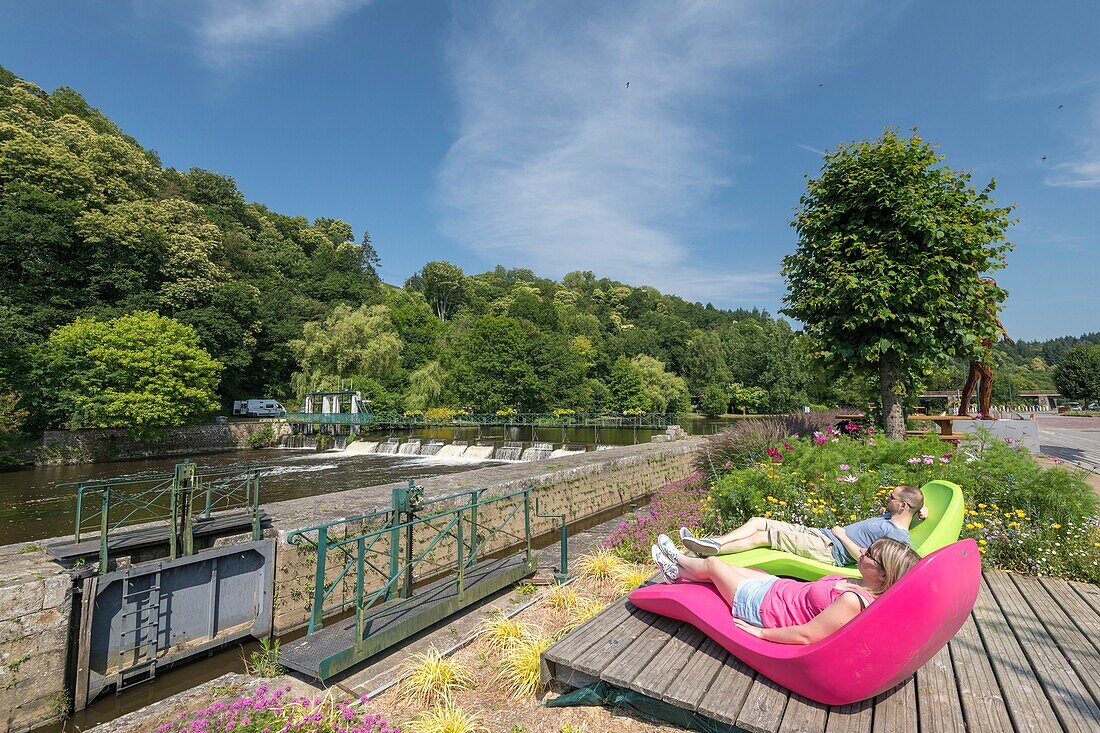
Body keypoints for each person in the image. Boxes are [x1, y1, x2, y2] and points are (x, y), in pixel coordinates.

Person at [650, 535, 921, 643]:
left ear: (884, 574)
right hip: (774, 589)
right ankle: (676, 573)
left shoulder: (853, 601)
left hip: (762, 608)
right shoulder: (864, 584)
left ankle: (676, 560)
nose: (862, 552)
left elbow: (806, 635)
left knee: (712, 565)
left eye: (869, 554)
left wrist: (761, 632)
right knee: (721, 572)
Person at [678, 484, 925, 567]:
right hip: (821, 536)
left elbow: (867, 558)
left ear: (903, 506)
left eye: (891, 497)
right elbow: (917, 502)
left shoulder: (897, 537)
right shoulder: (889, 517)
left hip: (829, 550)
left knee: (763, 533)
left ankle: (709, 547)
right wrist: (922, 510)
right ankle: (712, 545)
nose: (886, 498)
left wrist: (841, 534)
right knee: (758, 524)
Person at [958, 277, 1013, 418]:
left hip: (986, 347)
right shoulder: (976, 304)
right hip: (976, 348)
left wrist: (1005, 334)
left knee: (973, 378)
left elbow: (995, 320)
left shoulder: (990, 304)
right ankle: (985, 413)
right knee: (988, 375)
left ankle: (963, 411)